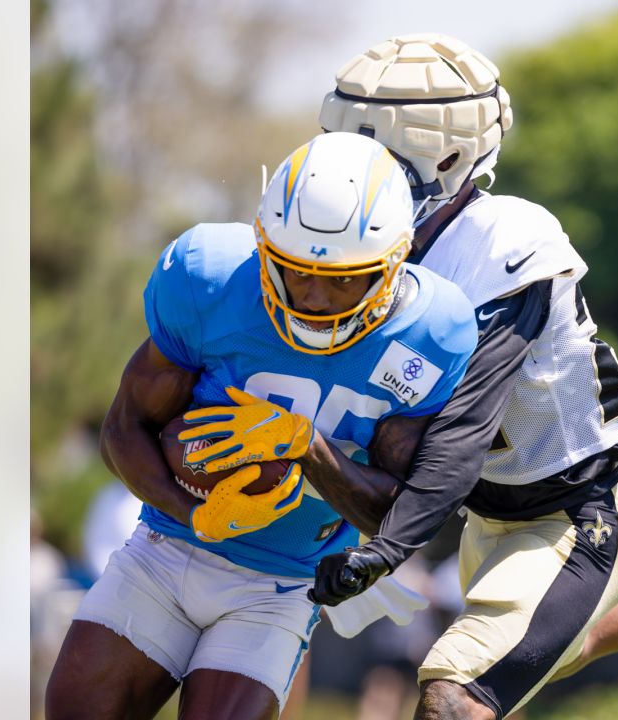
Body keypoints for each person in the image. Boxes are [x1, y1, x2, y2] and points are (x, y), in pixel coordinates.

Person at [302, 34, 618, 720]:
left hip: (576, 518)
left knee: (454, 696)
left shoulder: (505, 240)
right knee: (570, 643)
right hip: (485, 520)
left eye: (377, 150)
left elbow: (456, 441)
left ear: (448, 154)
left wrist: (381, 549)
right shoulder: (359, 247)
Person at [45, 132, 478, 720]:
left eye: (346, 277)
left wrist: (305, 446)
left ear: (397, 260)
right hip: (163, 552)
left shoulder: (433, 332)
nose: (315, 296)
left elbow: (399, 518)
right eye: (295, 270)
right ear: (263, 244)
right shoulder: (207, 276)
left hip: (280, 583)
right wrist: (193, 511)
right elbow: (123, 431)